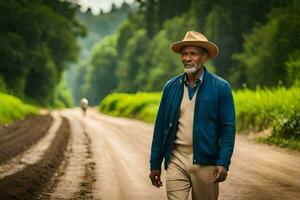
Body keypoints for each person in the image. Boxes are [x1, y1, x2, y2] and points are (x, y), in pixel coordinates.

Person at [149, 31, 236, 200]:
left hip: (206, 162)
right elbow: (160, 128)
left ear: (204, 57)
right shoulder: (171, 87)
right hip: (176, 159)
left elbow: (228, 128)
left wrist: (223, 162)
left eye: (193, 54)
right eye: (184, 54)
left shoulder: (221, 87)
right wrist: (155, 164)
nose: (187, 58)